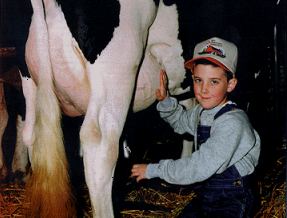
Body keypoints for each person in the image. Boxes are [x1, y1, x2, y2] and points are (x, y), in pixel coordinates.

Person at [131, 37, 261, 218]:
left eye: (214, 82)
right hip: (208, 193)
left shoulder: (233, 123)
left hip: (233, 197)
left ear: (230, 84)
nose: (203, 89)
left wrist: (155, 170)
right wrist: (166, 102)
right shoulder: (200, 112)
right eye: (198, 80)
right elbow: (181, 122)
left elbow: (199, 166)